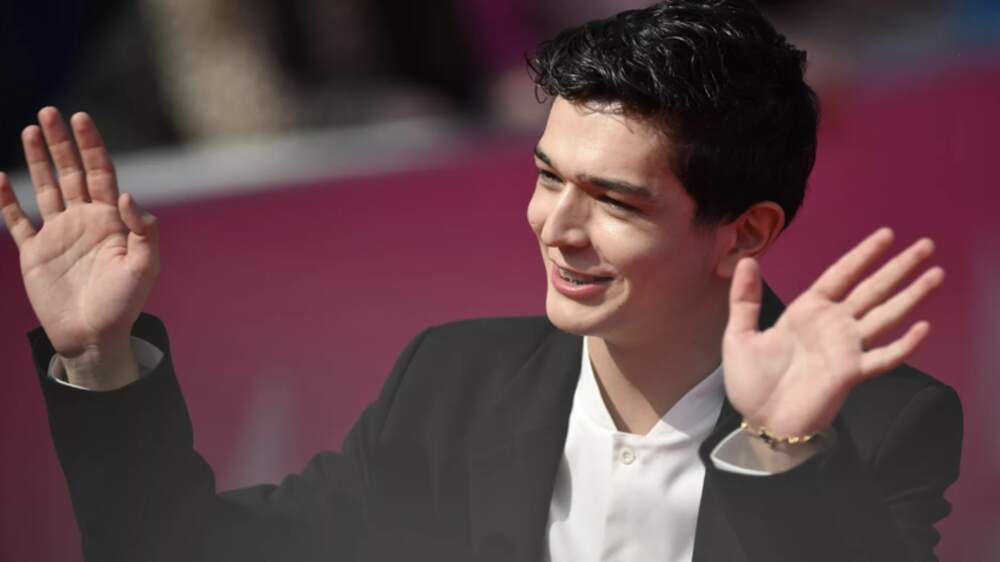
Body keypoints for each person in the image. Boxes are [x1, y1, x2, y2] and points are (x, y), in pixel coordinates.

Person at [0, 1, 961, 561]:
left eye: (615, 202)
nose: (557, 228)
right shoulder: (455, 385)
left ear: (744, 232)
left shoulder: (877, 426)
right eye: (547, 178)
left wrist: (780, 453)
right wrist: (101, 359)